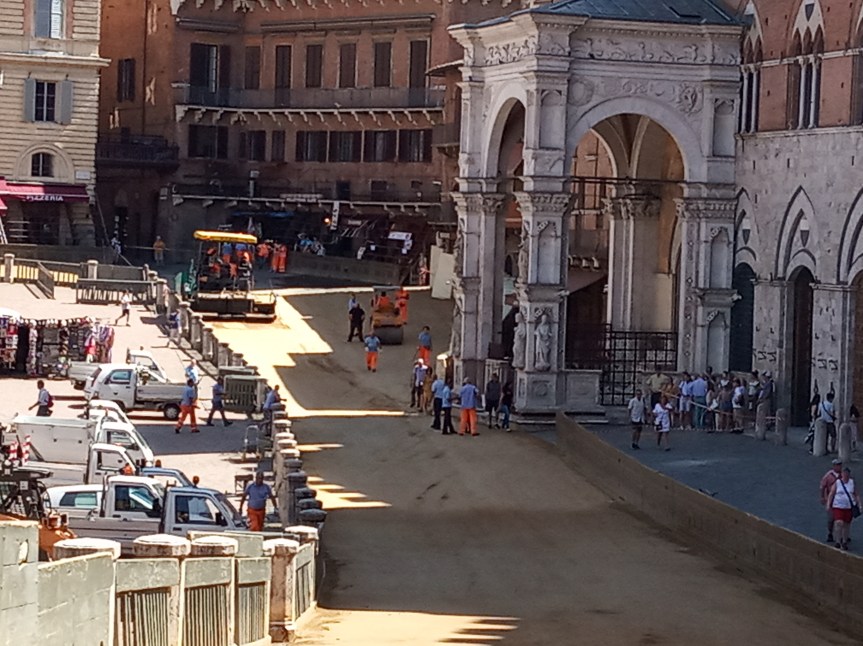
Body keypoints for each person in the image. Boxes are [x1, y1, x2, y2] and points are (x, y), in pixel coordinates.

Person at [827, 467, 861, 550]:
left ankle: (844, 541)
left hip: (848, 507)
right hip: (838, 506)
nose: (845, 476)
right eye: (844, 474)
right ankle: (838, 541)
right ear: (842, 474)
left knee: (846, 525)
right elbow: (831, 494)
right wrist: (828, 504)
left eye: (847, 474)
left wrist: (860, 505)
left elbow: (856, 494)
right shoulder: (837, 483)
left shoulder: (852, 483)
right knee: (839, 522)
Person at [820, 459, 844, 544]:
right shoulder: (828, 476)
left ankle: (842, 536)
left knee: (841, 518)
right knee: (831, 519)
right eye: (837, 465)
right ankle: (830, 533)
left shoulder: (843, 475)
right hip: (831, 500)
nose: (839, 467)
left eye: (840, 465)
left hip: (841, 500)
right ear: (834, 466)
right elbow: (822, 486)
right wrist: (822, 497)